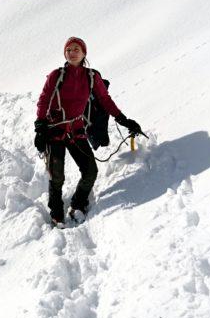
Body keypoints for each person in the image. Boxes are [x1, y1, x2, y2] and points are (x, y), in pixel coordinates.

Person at [34, 37, 142, 225]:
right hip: (54, 130)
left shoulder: (92, 77)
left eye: (76, 49)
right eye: (69, 49)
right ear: (65, 54)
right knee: (56, 175)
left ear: (84, 53)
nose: (72, 52)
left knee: (90, 171)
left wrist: (123, 119)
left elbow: (105, 100)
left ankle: (78, 203)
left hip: (76, 130)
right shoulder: (56, 75)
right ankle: (56, 210)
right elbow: (44, 100)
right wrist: (40, 127)